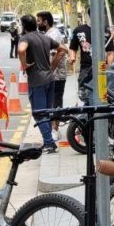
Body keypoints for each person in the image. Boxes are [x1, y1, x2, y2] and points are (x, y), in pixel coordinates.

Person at [18, 14, 68, 153]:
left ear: (23, 26)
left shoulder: (26, 38)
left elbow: (21, 49)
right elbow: (63, 49)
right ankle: (49, 141)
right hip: (49, 79)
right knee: (47, 112)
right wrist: (52, 66)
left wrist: (24, 64)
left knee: (39, 114)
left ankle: (49, 143)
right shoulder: (45, 37)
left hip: (37, 81)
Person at [68, 9, 114, 104]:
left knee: (103, 96)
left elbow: (110, 53)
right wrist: (72, 57)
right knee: (85, 95)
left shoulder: (106, 31)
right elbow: (72, 48)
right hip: (86, 69)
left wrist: (109, 67)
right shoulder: (79, 30)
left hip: (102, 69)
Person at [37, 11, 68, 141]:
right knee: (51, 103)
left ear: (45, 22)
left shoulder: (54, 34)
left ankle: (55, 129)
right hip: (51, 76)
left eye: (39, 20)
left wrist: (50, 69)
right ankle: (53, 128)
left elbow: (60, 53)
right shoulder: (48, 34)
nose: (37, 23)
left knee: (56, 102)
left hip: (56, 76)